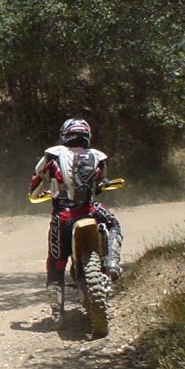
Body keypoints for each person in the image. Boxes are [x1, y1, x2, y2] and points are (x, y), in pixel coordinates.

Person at [29, 118, 124, 322]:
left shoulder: (52, 156)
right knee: (113, 223)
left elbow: (35, 184)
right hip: (90, 211)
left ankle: (57, 313)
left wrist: (39, 192)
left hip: (63, 216)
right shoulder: (98, 157)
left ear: (65, 135)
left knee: (56, 262)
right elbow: (100, 182)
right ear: (87, 136)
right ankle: (112, 262)